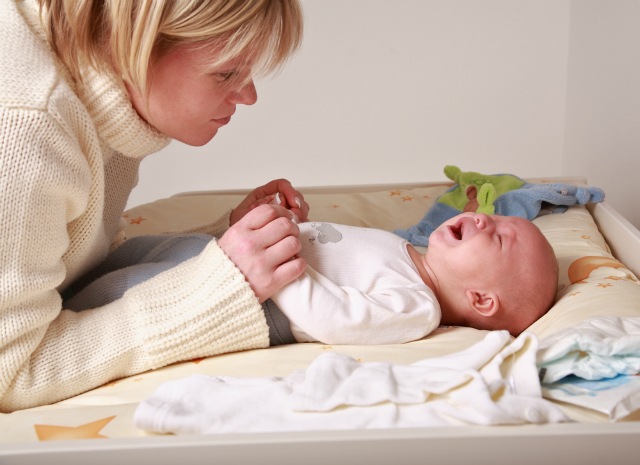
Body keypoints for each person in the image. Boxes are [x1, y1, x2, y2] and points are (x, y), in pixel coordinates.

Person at [0, 0, 307, 412]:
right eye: (227, 73)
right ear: (136, 43)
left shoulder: (108, 86)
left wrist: (222, 242)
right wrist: (218, 290)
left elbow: (74, 270)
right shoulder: (27, 122)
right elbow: (11, 373)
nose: (248, 94)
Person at [65, 210, 559, 347]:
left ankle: (62, 316)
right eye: (494, 217)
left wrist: (277, 268)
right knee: (132, 253)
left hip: (252, 296)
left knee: (123, 291)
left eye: (495, 237)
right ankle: (60, 285)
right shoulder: (408, 250)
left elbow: (335, 319)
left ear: (480, 299)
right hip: (239, 256)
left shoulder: (416, 307)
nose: (481, 219)